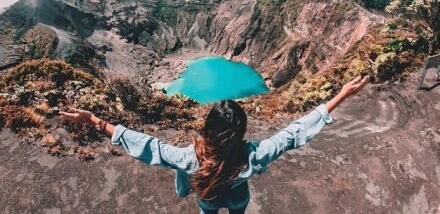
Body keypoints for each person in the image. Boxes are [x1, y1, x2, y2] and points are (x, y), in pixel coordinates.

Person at [60, 75, 369, 213]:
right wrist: (341, 95)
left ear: (208, 128)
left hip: (207, 200)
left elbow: (146, 145)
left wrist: (94, 121)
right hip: (237, 200)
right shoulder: (253, 156)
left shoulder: (188, 158)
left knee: (207, 210)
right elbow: (292, 133)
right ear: (240, 131)